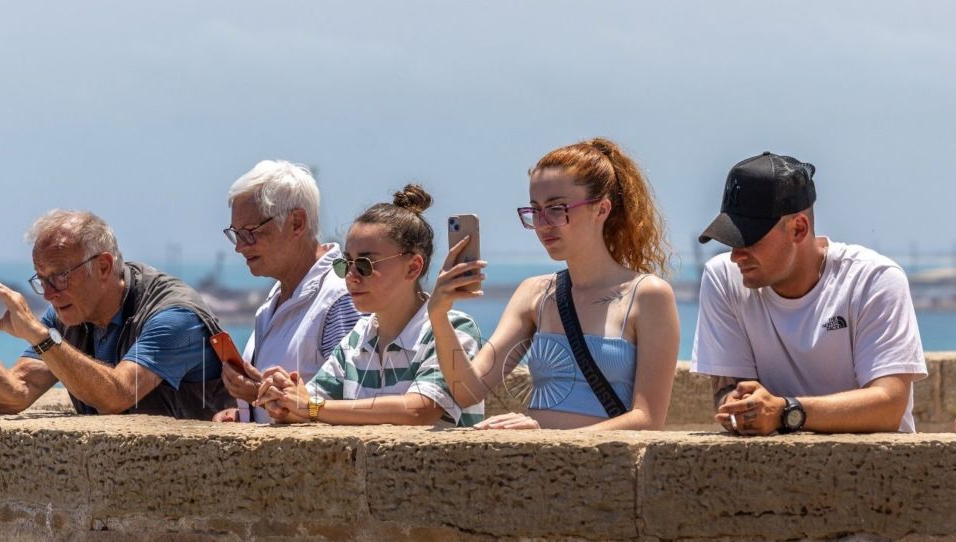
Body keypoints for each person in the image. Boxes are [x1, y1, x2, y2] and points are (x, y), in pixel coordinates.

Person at [427, 138, 679, 430]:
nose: (544, 223)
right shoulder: (535, 293)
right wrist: (439, 315)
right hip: (536, 466)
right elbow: (467, 391)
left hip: (605, 470)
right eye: (535, 210)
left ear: (602, 209)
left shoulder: (648, 295)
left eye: (557, 209)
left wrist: (550, 438)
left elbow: (647, 420)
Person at [692, 152, 926, 435]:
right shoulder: (722, 279)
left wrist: (786, 412)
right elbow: (730, 390)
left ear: (798, 229)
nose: (735, 256)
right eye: (730, 241)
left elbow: (889, 406)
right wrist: (741, 407)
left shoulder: (875, 279)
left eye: (748, 239)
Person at [0, 209, 232, 417]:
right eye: (42, 279)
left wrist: (40, 336)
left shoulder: (174, 316)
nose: (50, 293)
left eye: (60, 277)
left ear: (103, 267)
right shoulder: (67, 316)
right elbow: (14, 396)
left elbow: (117, 396)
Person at [254, 185, 484, 426]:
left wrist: (309, 406)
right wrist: (281, 397)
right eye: (346, 263)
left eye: (365, 264)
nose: (351, 276)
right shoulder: (356, 338)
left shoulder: (454, 328)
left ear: (413, 267)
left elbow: (418, 410)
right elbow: (307, 409)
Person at [214, 160, 362, 423]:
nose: (239, 247)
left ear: (296, 223)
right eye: (235, 234)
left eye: (249, 233)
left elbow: (352, 407)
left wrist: (256, 396)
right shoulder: (279, 296)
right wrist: (245, 414)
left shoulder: (339, 298)